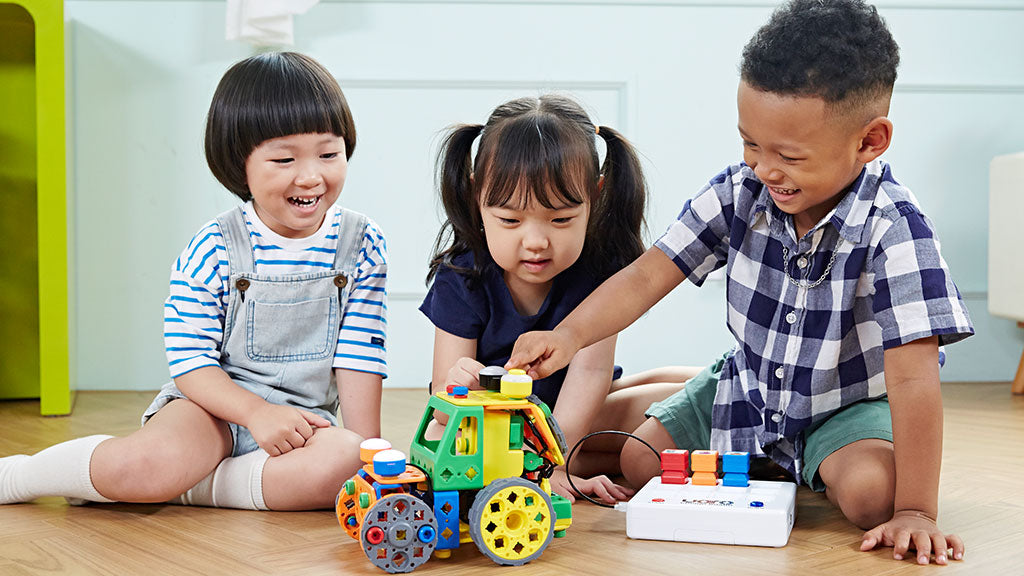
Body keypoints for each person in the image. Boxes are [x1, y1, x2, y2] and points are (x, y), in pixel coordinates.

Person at [507, 0, 973, 565]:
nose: (764, 168)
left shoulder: (895, 229)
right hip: (751, 389)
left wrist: (917, 511)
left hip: (847, 403)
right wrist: (570, 334)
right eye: (750, 143)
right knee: (637, 462)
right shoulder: (740, 192)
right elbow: (648, 275)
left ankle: (801, 455)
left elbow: (914, 379)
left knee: (875, 498)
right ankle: (719, 405)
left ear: (870, 142)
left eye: (789, 155)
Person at [0, 52, 386, 511]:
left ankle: (190, 488)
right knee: (142, 465)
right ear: (238, 163)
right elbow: (189, 360)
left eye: (329, 154)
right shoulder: (215, 247)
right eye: (283, 158)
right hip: (211, 411)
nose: (311, 176)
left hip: (303, 426)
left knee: (347, 461)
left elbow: (360, 352)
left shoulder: (361, 243)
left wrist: (372, 455)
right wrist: (256, 413)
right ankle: (22, 475)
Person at [420, 94, 691, 504]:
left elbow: (588, 376)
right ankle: (568, 458)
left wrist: (554, 466)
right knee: (448, 438)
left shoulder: (602, 272)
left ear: (594, 196)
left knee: (672, 399)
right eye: (510, 220)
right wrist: (457, 384)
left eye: (561, 219)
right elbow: (444, 406)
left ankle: (728, 385)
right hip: (506, 421)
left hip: (578, 412)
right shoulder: (463, 276)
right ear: (477, 197)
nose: (536, 243)